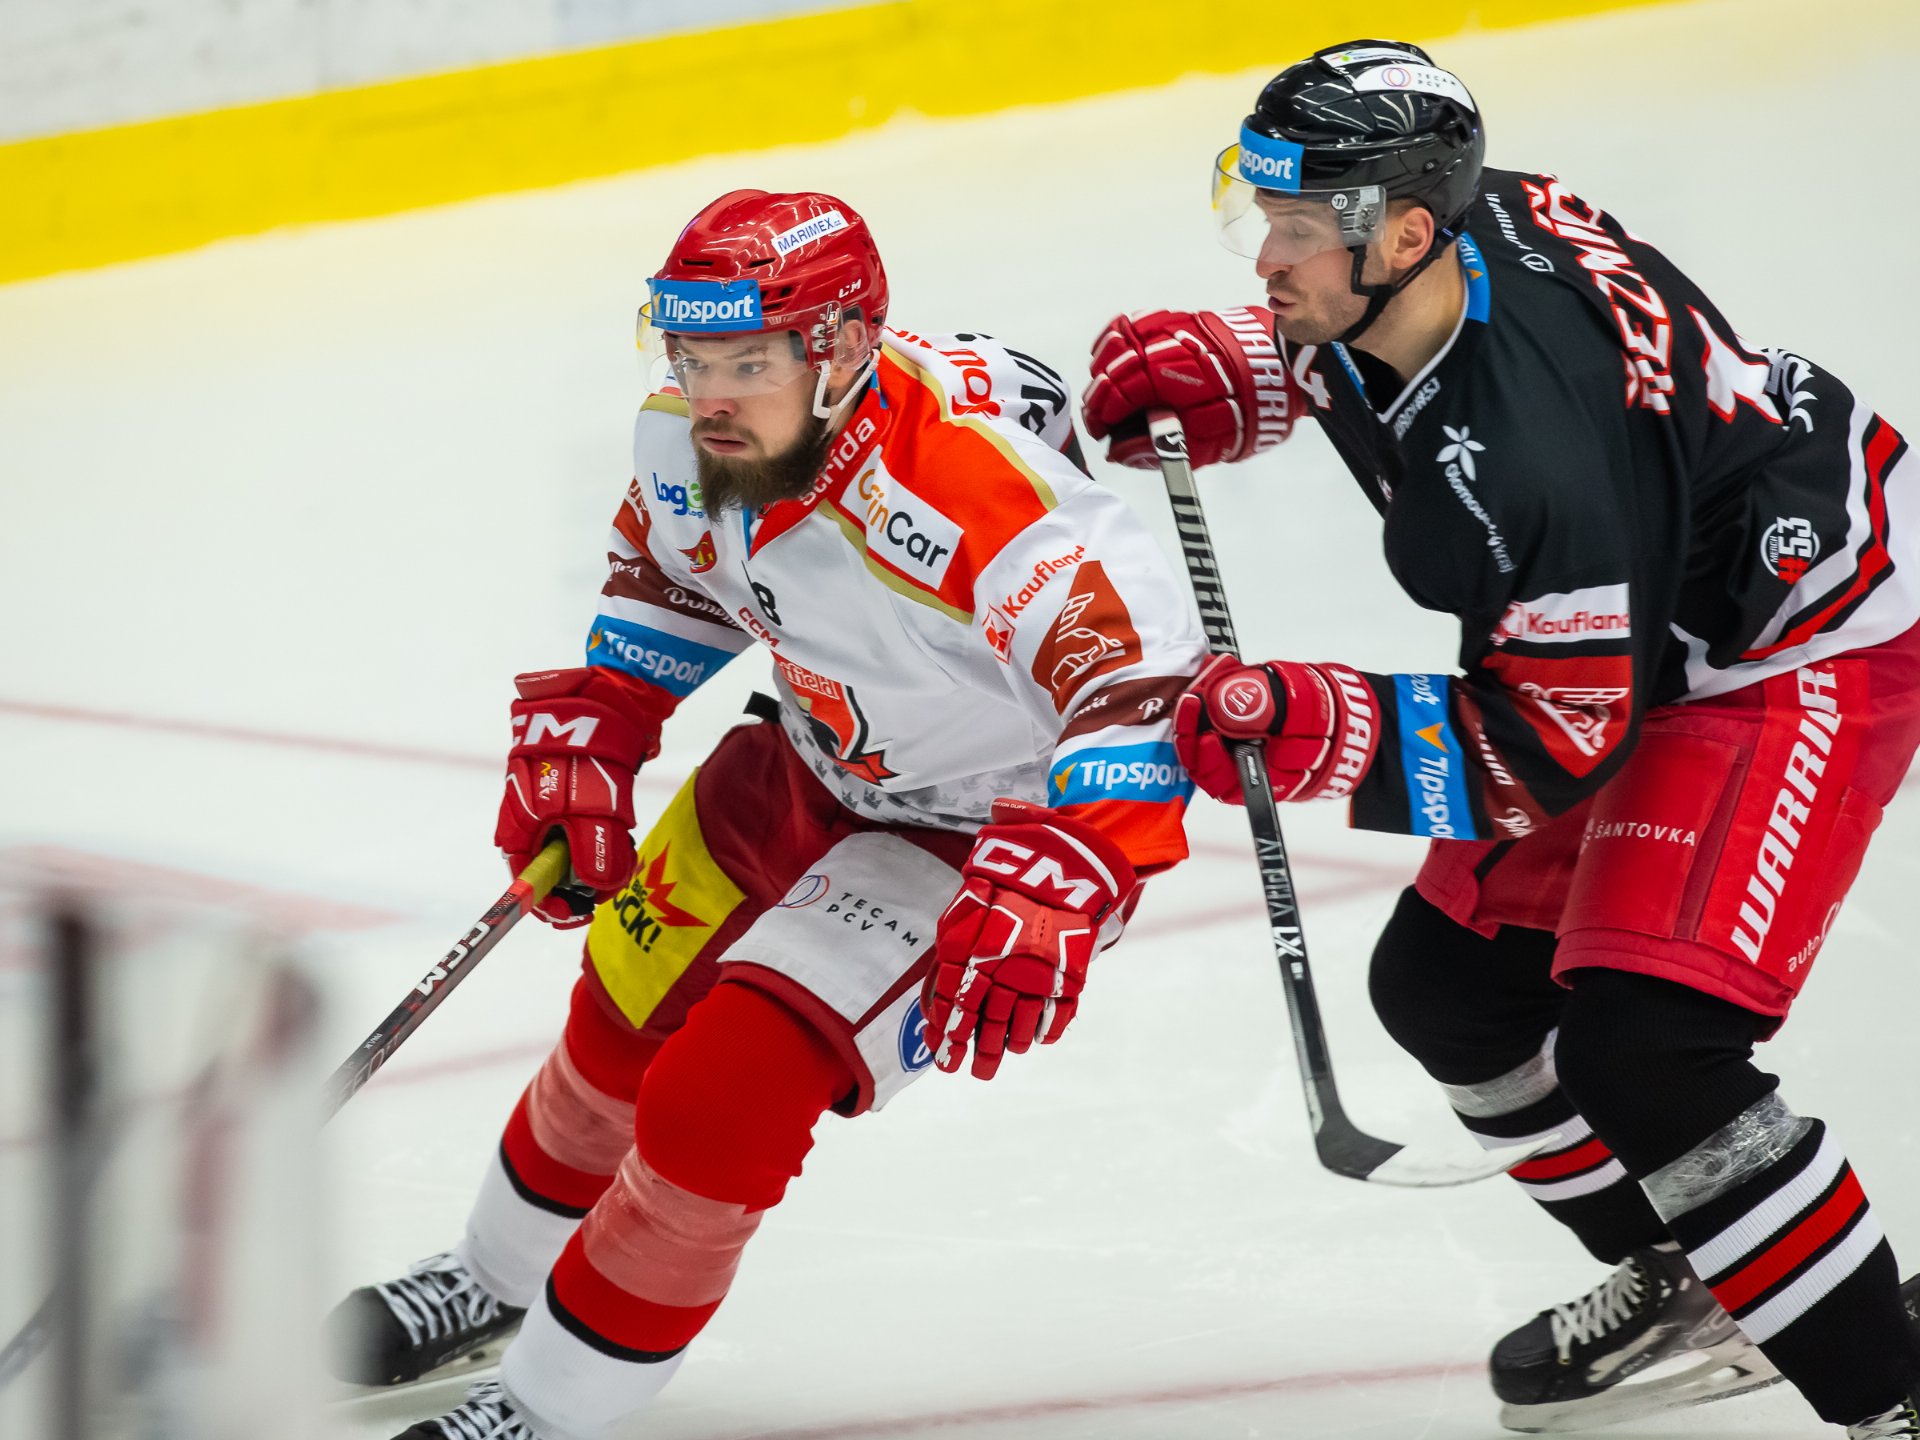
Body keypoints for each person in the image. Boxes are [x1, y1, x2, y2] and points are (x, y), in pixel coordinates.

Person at [1080, 38, 1920, 1437]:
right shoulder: (1457, 228)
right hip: (1645, 606)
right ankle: (1703, 1274)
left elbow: (1554, 745)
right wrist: (1253, 367)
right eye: (1263, 216)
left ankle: (1891, 1398)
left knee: (1651, 1051)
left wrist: (1322, 722)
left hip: (1792, 643)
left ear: (1406, 233)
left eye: (1296, 232)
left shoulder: (1528, 458)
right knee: (1450, 992)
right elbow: (1394, 357)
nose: (1266, 261)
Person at [322, 189, 1207, 1439]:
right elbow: (678, 570)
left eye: (746, 363)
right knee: (617, 1025)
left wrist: (1070, 864)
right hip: (803, 759)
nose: (709, 397)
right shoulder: (688, 436)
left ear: (841, 350)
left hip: (975, 839)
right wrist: (610, 713)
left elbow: (1139, 683)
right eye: (691, 358)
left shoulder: (964, 485)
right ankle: (492, 1278)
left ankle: (549, 1407)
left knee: (718, 1103)